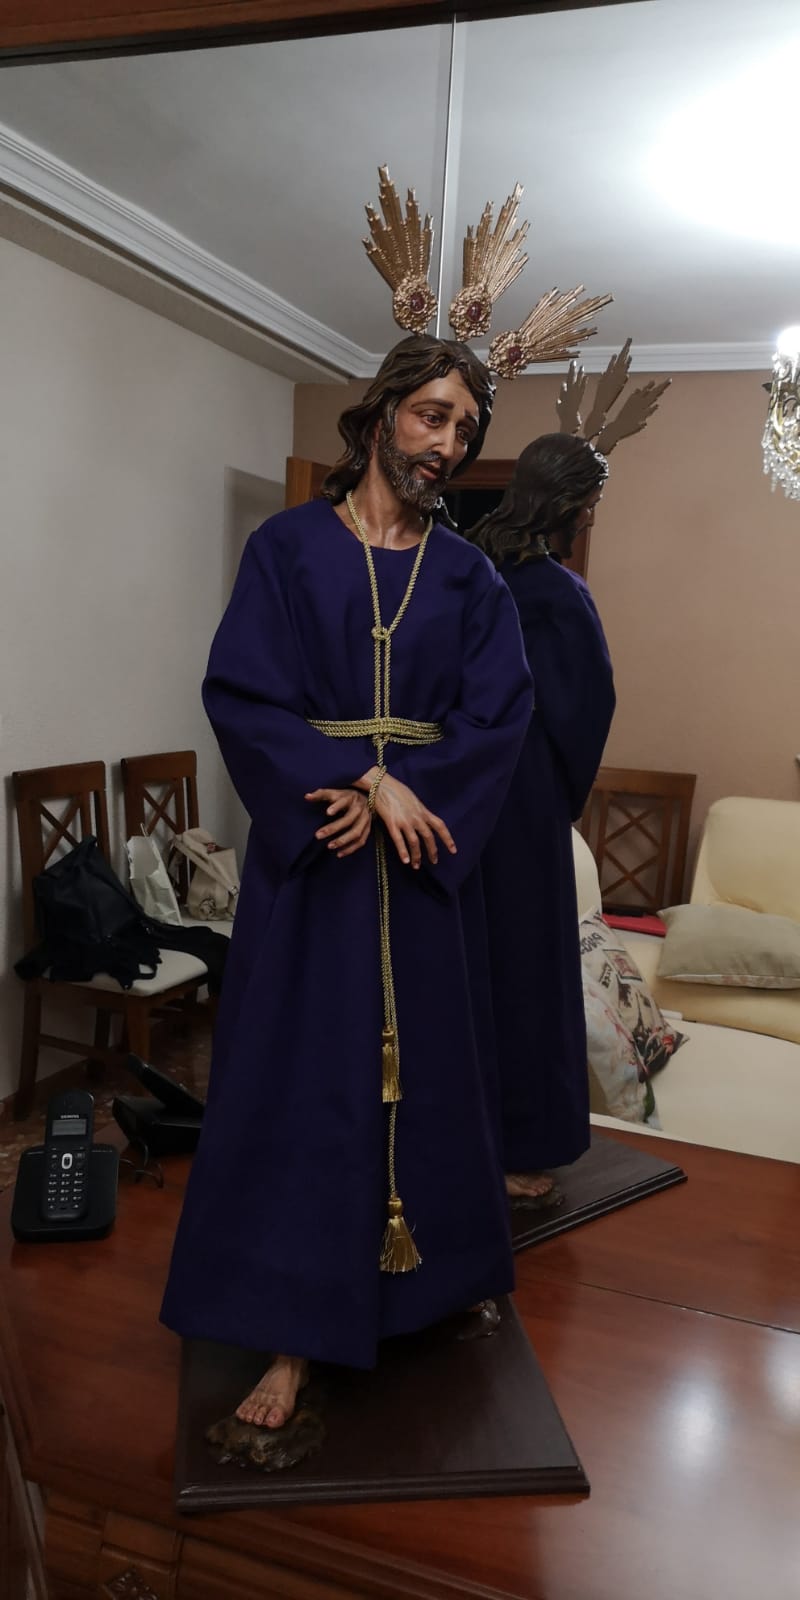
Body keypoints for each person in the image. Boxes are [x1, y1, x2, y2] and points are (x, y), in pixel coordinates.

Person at [160, 334, 534, 1454]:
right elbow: (242, 693)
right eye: (430, 415)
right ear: (379, 416)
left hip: (417, 871)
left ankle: (429, 1284)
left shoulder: (469, 578)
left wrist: (412, 794)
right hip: (315, 864)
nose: (445, 444)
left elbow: (498, 717)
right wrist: (364, 779)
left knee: (429, 1080)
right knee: (302, 1086)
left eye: (463, 428)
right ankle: (289, 1333)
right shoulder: (285, 549)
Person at [467, 433, 616, 1207]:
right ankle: (517, 1146)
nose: (591, 513)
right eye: (589, 499)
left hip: (452, 784)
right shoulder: (557, 591)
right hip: (521, 793)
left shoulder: (463, 567)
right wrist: (561, 796)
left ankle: (456, 1138)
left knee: (466, 963)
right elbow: (588, 706)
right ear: (565, 500)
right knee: (526, 969)